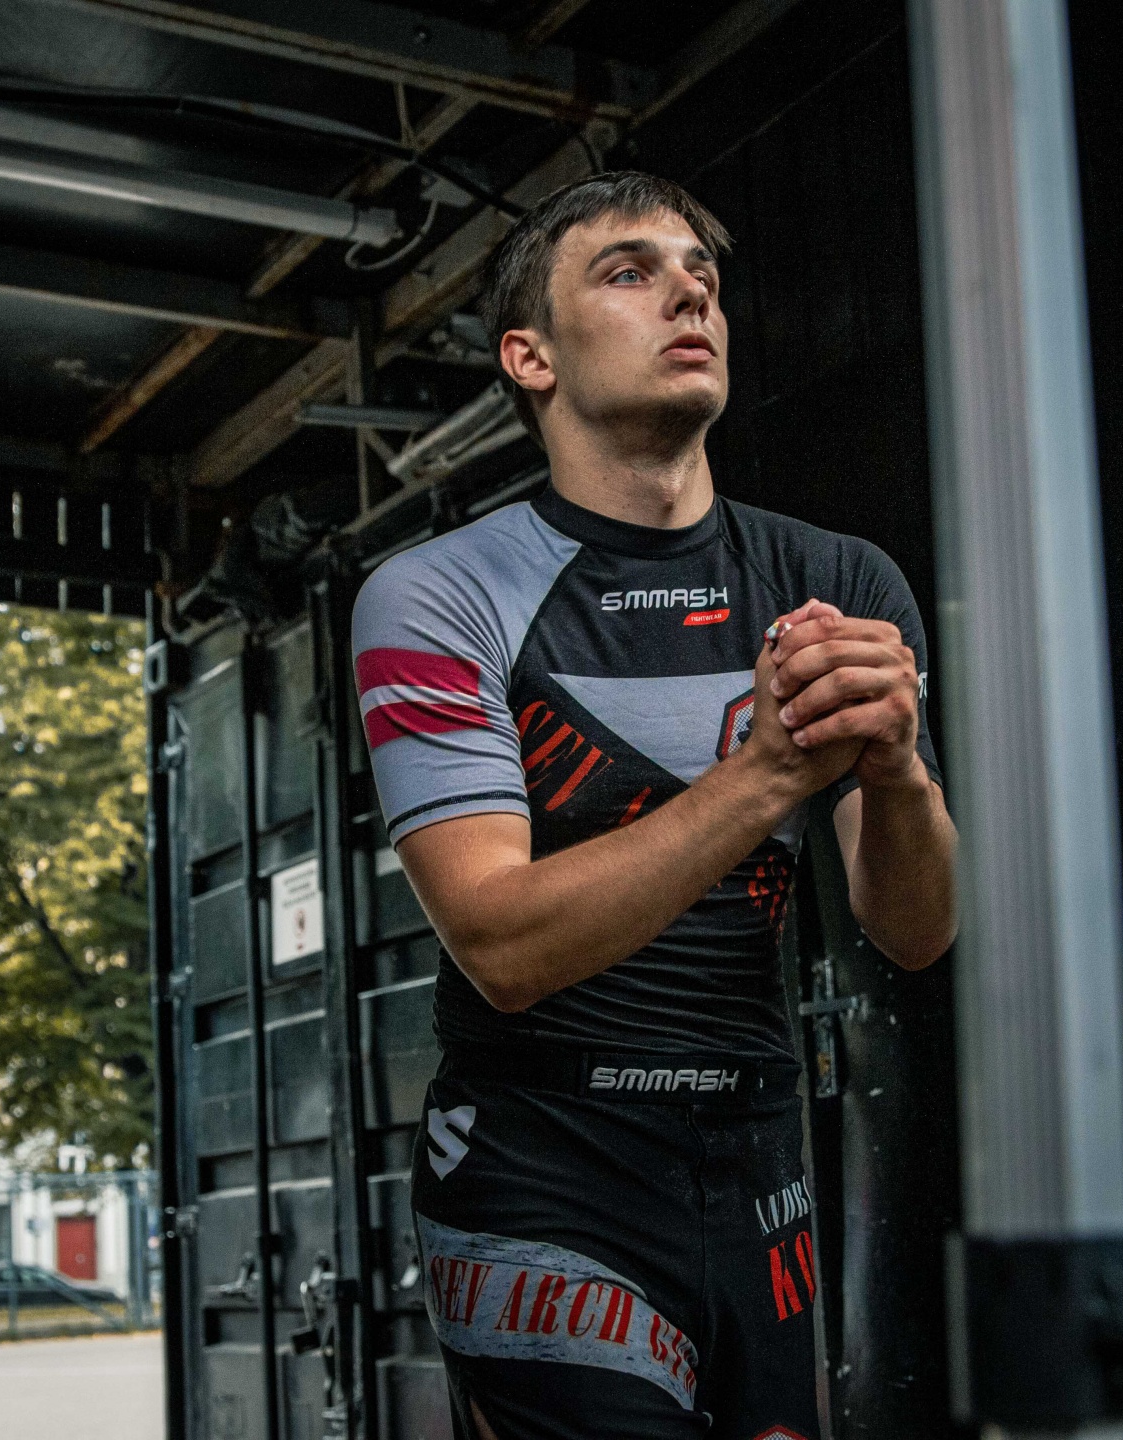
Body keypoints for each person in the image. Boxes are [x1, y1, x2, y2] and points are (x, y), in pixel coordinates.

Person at [351, 172, 958, 1439]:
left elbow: (915, 932)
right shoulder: (436, 594)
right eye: (629, 272)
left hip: (762, 1157)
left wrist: (897, 771)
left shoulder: (838, 579)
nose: (689, 294)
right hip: (542, 1167)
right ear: (530, 356)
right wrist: (770, 773)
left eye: (702, 275)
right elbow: (501, 944)